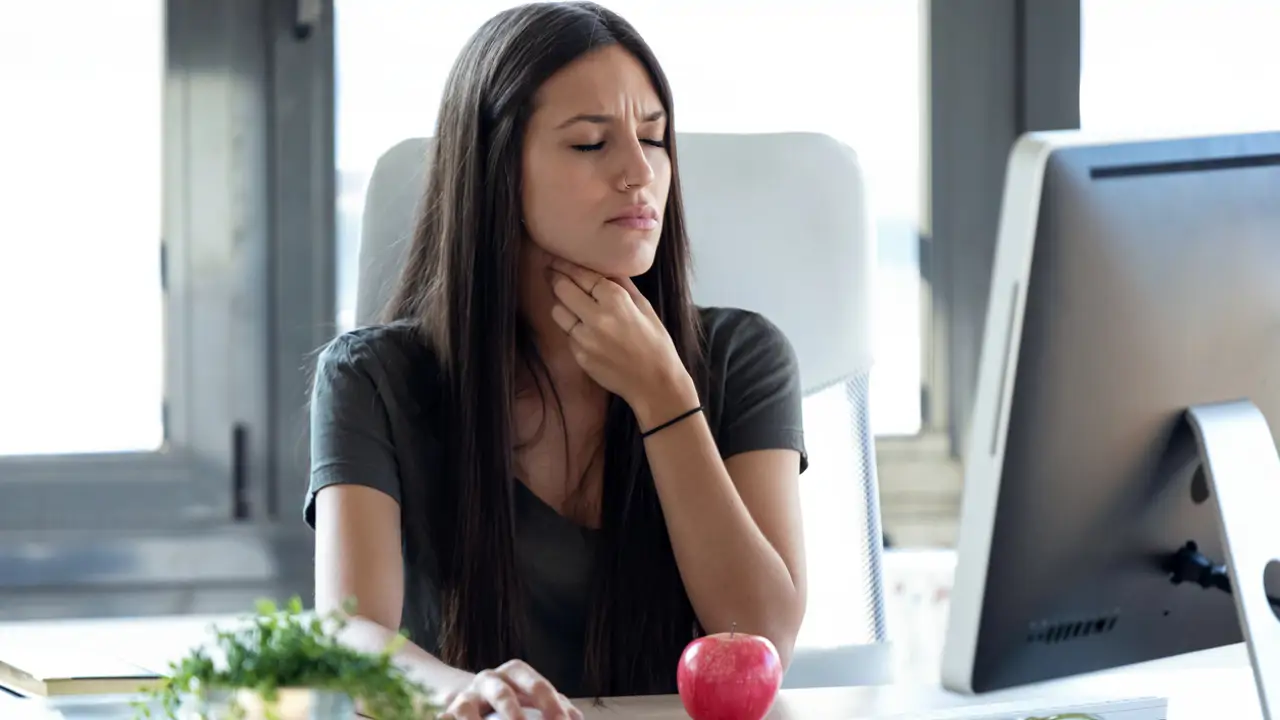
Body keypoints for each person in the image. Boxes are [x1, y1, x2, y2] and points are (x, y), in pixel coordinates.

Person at [306, 3, 808, 718]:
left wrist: (664, 394)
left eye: (655, 139)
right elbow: (350, 635)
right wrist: (468, 693)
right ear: (496, 168)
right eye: (590, 145)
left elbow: (761, 638)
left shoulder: (744, 357)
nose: (641, 174)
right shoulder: (371, 380)